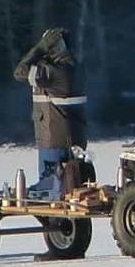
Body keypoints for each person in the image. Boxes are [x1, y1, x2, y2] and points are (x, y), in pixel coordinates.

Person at [12, 27, 88, 201]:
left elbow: (19, 72)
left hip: (53, 139)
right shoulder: (76, 67)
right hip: (76, 138)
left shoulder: (51, 71)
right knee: (72, 192)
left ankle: (55, 226)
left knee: (51, 194)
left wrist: (39, 48)